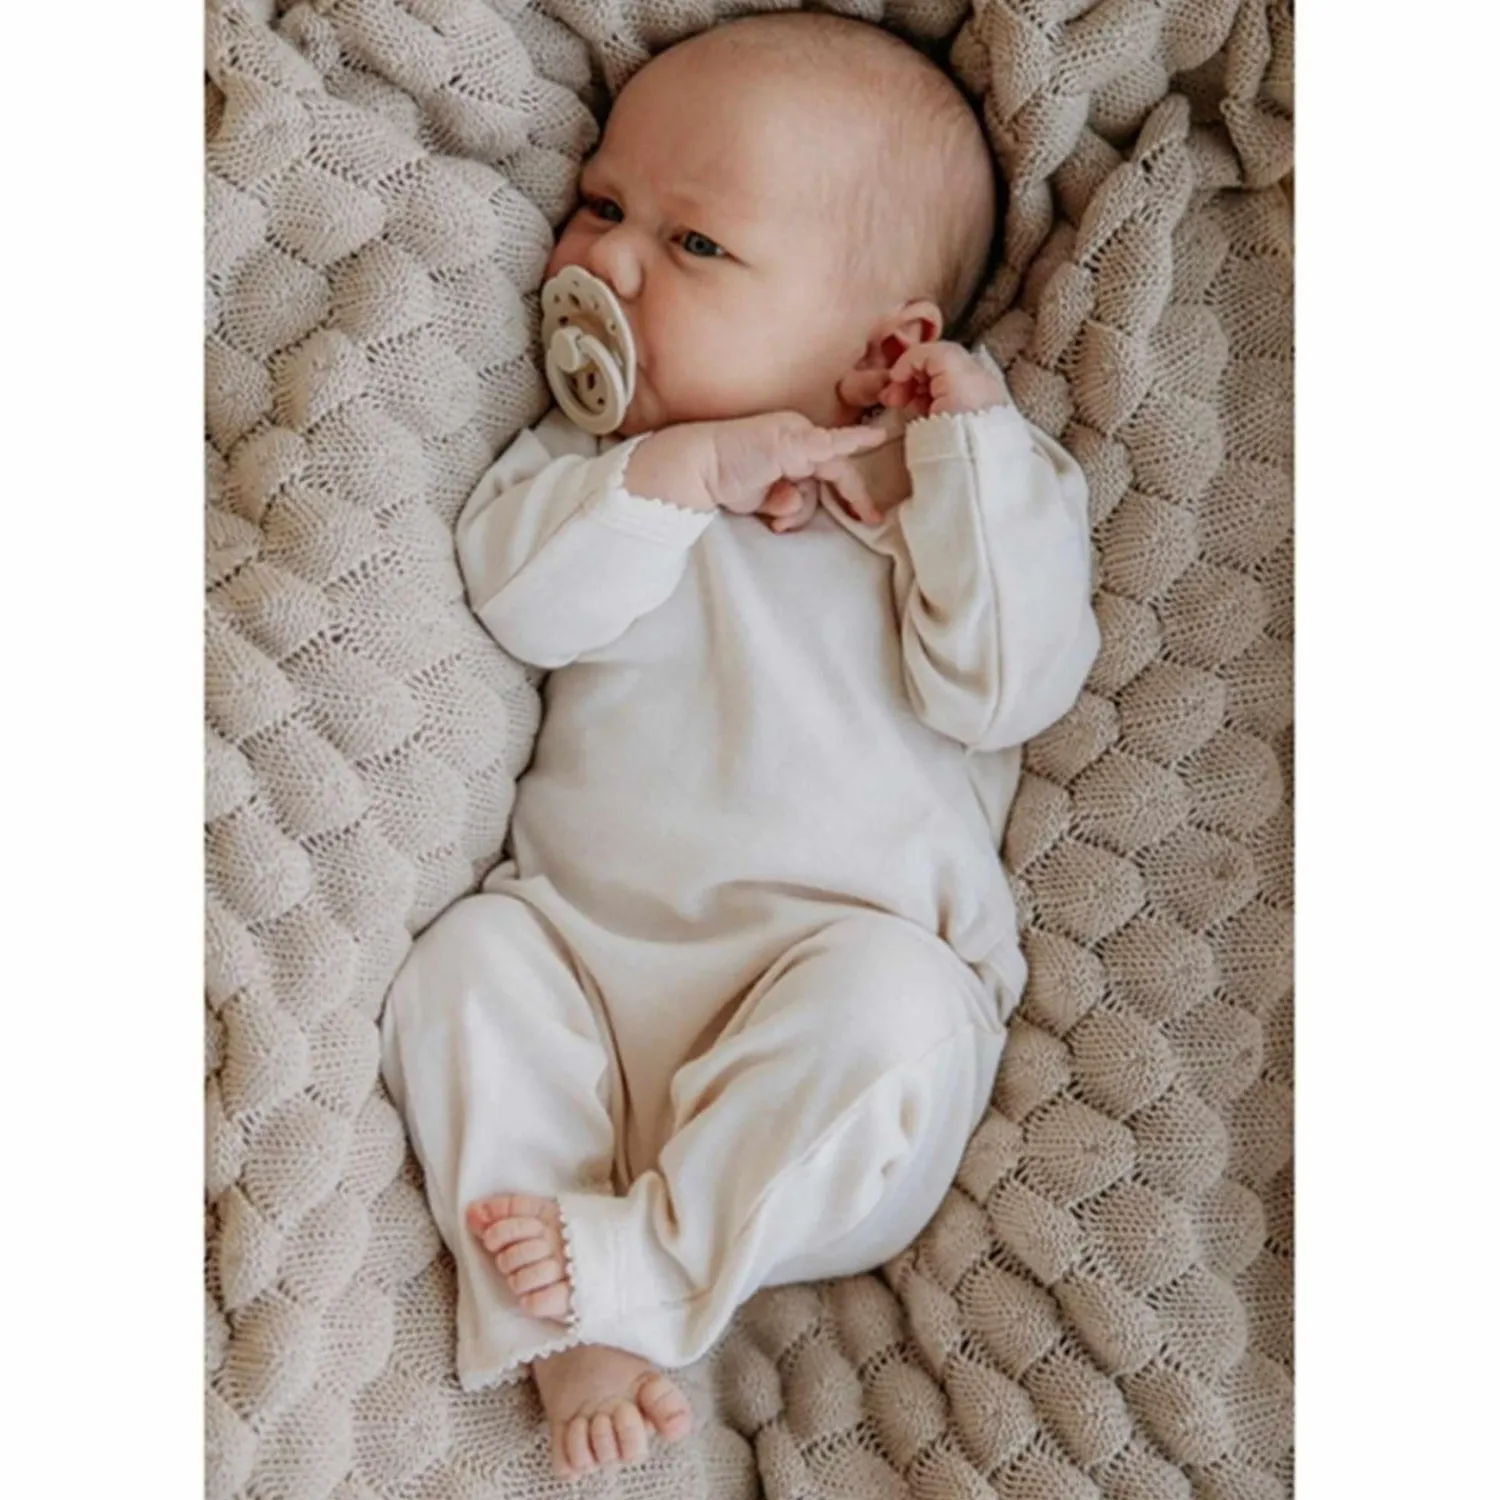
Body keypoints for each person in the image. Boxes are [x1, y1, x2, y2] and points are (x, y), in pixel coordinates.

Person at [380, 10, 1099, 1482]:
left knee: (897, 1012)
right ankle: (565, 1304)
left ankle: (640, 1270)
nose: (608, 261)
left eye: (694, 243)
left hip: (828, 1025)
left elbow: (1007, 688)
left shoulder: (944, 500)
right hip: (588, 971)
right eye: (602, 203)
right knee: (461, 972)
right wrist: (677, 474)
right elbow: (521, 605)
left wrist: (965, 452)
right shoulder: (592, 474)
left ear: (883, 343)